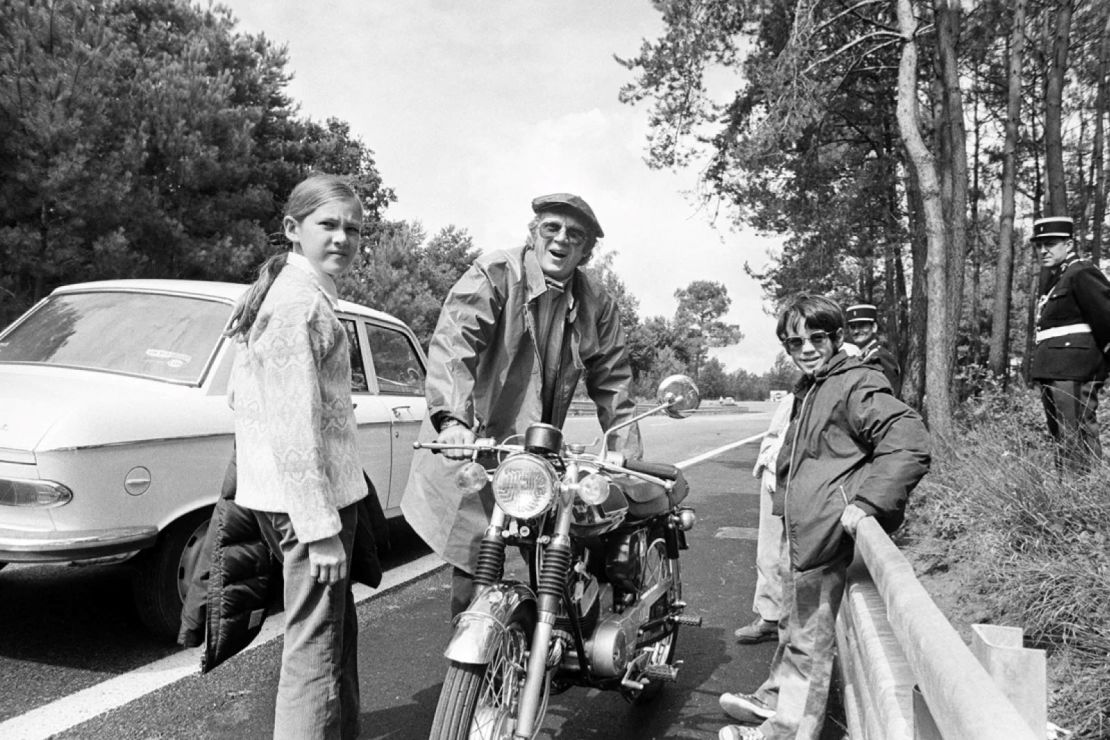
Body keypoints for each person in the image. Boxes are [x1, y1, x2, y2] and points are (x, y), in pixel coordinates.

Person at [401, 192, 641, 617]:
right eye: (552, 228)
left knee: (563, 540)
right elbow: (455, 345)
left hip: (541, 444)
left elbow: (614, 378)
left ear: (585, 251)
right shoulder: (494, 273)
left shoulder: (596, 302)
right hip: (479, 440)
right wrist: (454, 420)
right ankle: (472, 669)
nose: (561, 240)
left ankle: (550, 647)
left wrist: (625, 450)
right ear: (533, 235)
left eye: (576, 234)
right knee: (475, 554)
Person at [718, 293, 930, 740]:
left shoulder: (856, 383)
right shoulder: (814, 385)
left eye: (816, 338)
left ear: (837, 338)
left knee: (810, 639)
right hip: (803, 533)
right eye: (795, 343)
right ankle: (776, 699)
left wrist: (869, 503)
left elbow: (908, 438)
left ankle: (788, 730)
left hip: (825, 534)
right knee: (794, 628)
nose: (806, 349)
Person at [225, 173, 367, 740]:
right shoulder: (295, 303)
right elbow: (292, 425)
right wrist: (319, 528)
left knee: (335, 636)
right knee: (312, 655)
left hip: (293, 500)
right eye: (327, 225)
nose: (342, 238)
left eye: (352, 229)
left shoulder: (286, 293)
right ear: (293, 229)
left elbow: (239, 397)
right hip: (308, 508)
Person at [1029, 215, 1110, 474]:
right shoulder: (1054, 280)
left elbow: (1107, 316)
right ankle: (1068, 497)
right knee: (1062, 438)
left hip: (1076, 369)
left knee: (1077, 436)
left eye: (1051, 243)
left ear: (1070, 245)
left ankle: (1086, 501)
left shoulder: (1082, 271)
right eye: (1039, 245)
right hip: (1053, 369)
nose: (1043, 250)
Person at [845, 303, 901, 395]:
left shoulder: (880, 356)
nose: (856, 331)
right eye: (853, 326)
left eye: (862, 325)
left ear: (874, 327)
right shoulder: (863, 355)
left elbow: (887, 395)